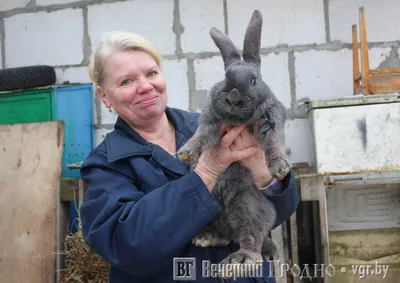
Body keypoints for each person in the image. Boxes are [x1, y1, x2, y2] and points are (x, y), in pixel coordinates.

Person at [79, 30, 300, 283]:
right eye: (126, 81)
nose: (145, 86)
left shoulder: (216, 127)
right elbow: (130, 246)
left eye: (151, 73)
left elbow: (281, 210)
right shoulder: (105, 165)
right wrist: (206, 172)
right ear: (104, 95)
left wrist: (262, 172)